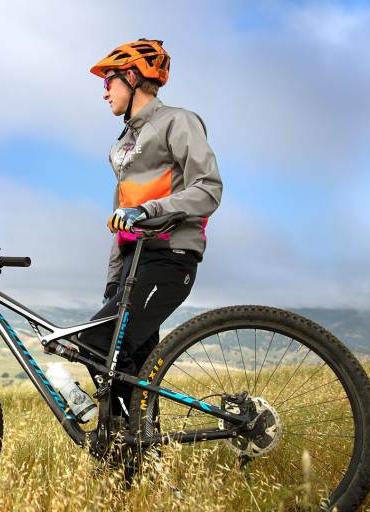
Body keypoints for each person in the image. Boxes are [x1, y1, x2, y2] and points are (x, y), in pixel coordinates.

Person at [79, 39, 223, 421]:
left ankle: (130, 435)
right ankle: (134, 461)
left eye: (109, 80)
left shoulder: (178, 121)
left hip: (169, 255)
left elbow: (208, 189)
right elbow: (121, 213)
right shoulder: (122, 144)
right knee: (132, 363)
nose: (104, 90)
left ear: (131, 76)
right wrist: (113, 280)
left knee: (95, 343)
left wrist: (148, 210)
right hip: (133, 263)